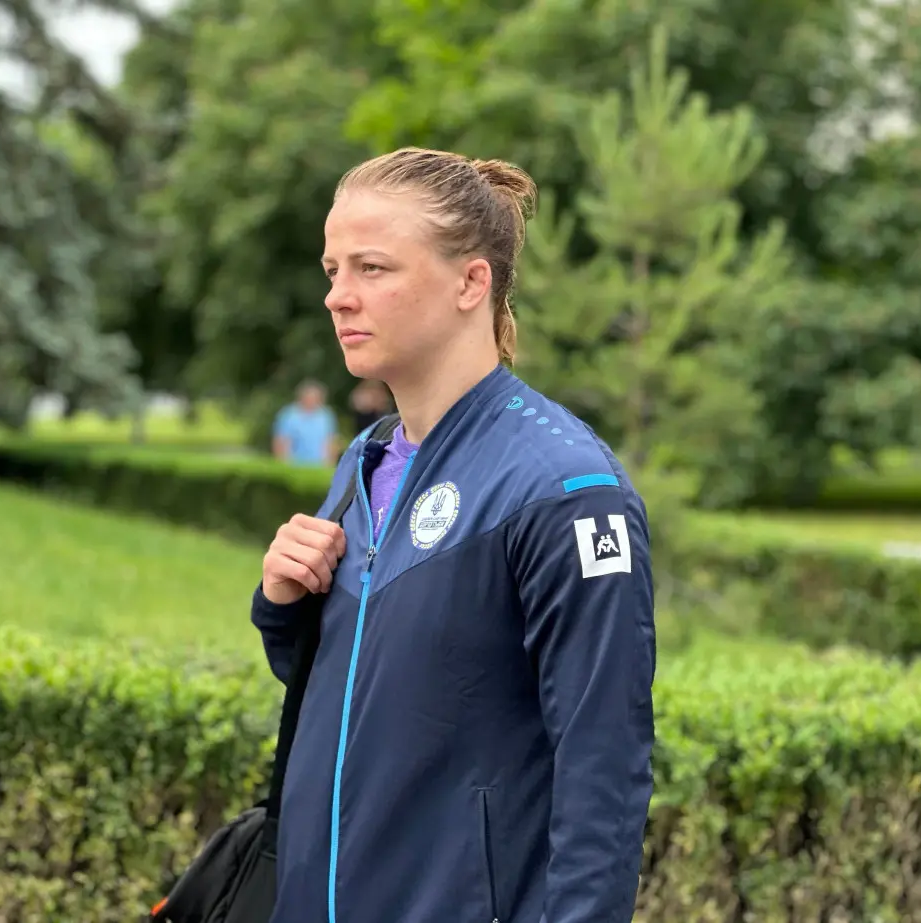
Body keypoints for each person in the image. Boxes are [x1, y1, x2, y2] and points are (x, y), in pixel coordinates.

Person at [251, 147, 656, 923]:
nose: (338, 296)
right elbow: (373, 692)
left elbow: (604, 767)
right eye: (333, 269)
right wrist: (283, 605)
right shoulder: (365, 462)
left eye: (372, 268)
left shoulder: (567, 489)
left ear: (473, 282)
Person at [272, 380, 339, 466]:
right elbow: (280, 442)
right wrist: (283, 463)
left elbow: (332, 442)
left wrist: (330, 464)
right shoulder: (289, 415)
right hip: (294, 465)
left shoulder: (326, 416)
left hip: (320, 466)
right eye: (309, 397)